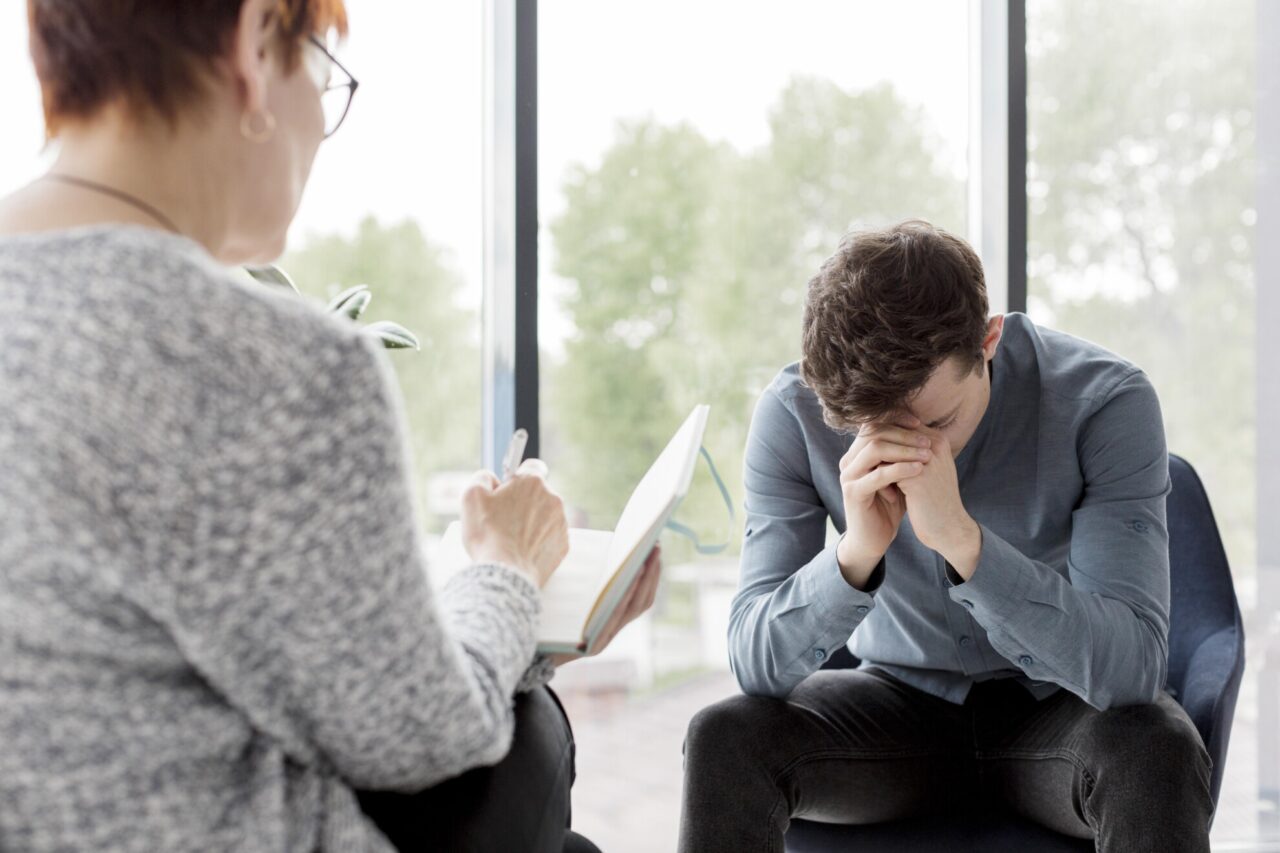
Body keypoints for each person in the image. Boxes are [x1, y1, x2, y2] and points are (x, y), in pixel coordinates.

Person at [0, 2, 660, 851]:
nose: (320, 121)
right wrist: (511, 572)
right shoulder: (265, 362)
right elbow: (420, 733)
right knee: (527, 745)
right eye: (321, 72)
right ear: (253, 43)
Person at [679, 220, 1213, 852]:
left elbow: (1130, 669)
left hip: (1061, 711)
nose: (911, 453)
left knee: (1156, 748)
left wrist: (965, 544)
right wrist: (855, 554)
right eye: (875, 432)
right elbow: (754, 661)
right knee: (724, 735)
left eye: (937, 421)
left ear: (988, 341)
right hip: (895, 714)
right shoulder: (794, 411)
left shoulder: (1104, 401)